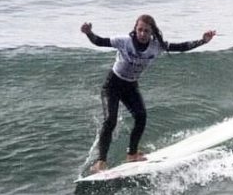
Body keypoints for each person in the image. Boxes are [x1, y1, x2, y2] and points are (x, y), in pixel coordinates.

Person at [81, 14, 216, 173]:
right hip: (113, 85)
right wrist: (89, 33)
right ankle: (100, 162)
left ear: (152, 32)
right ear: (135, 29)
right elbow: (100, 41)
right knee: (110, 120)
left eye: (146, 31)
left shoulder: (156, 46)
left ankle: (132, 154)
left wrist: (203, 41)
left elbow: (181, 47)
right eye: (140, 30)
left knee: (141, 117)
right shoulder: (124, 41)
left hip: (131, 86)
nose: (143, 34)